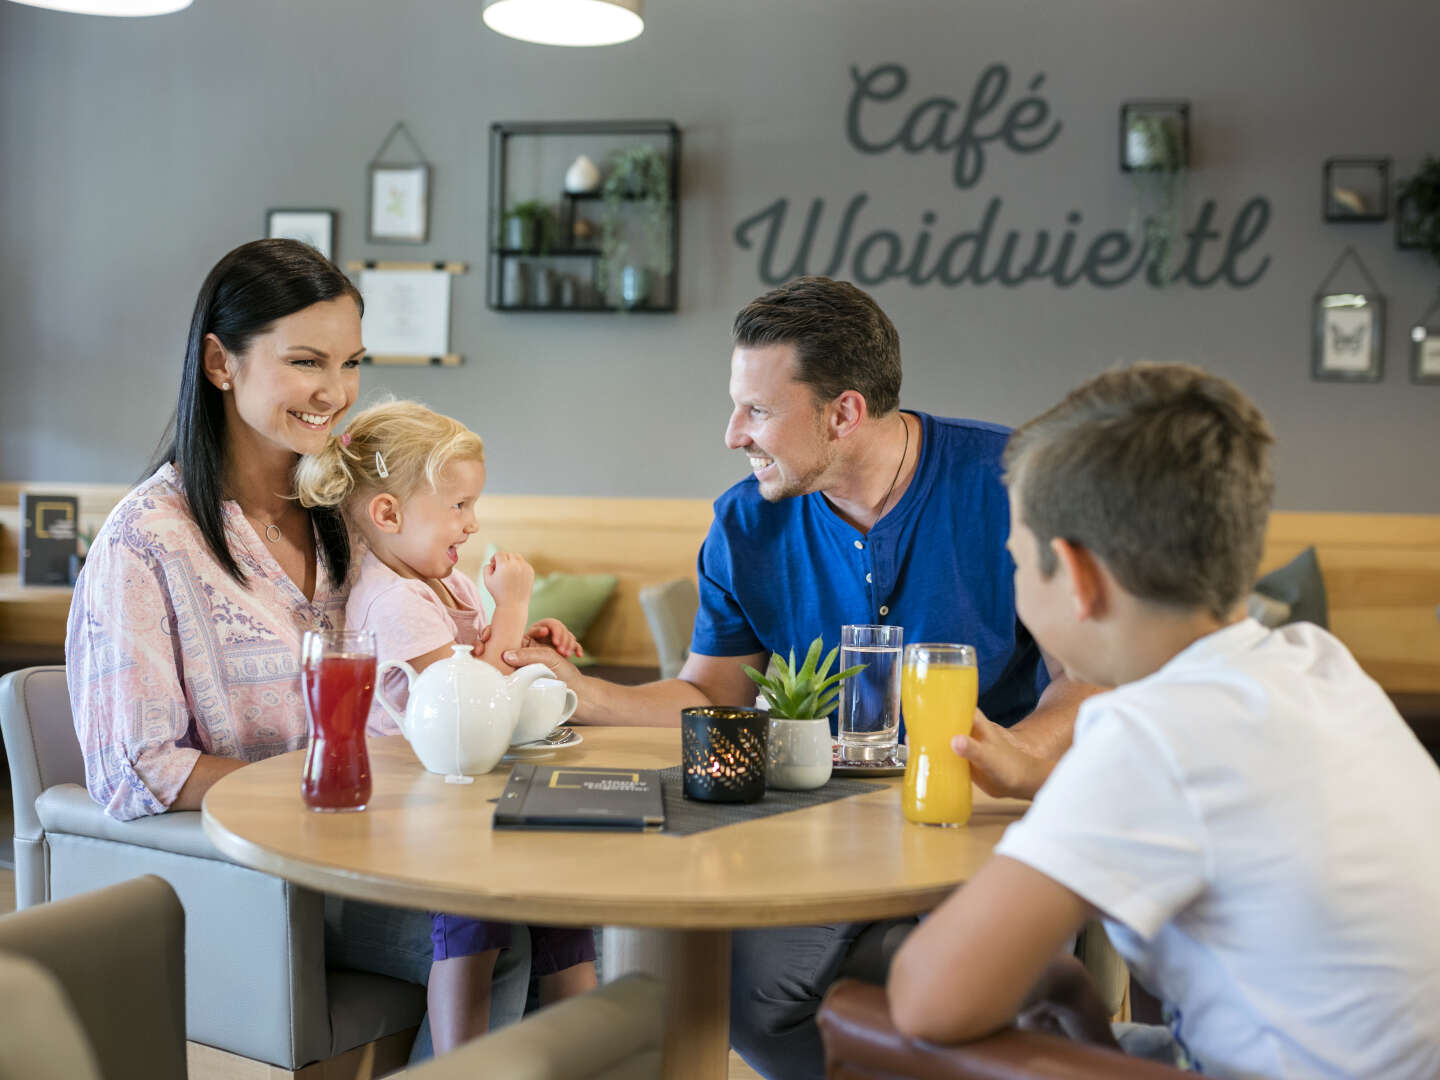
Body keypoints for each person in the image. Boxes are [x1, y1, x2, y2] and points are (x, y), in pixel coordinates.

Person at [504, 276, 1096, 1079]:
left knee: (990, 1000)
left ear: (843, 413)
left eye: (756, 411)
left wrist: (1015, 755)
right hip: (827, 825)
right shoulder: (746, 521)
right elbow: (716, 695)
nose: (730, 434)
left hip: (985, 822)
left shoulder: (1010, 482)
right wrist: (579, 688)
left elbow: (1084, 678)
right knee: (747, 994)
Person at [888, 363, 1440, 1078]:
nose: (1014, 582)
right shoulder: (1316, 663)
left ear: (1078, 578)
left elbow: (929, 1001)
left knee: (874, 1025)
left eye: (1016, 563)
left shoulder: (1155, 733)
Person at [64, 239, 528, 1055]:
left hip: (370, 858)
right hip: (248, 882)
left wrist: (496, 632)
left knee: (552, 916)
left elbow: (418, 636)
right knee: (510, 934)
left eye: (351, 364)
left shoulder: (345, 519)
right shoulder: (146, 542)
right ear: (220, 362)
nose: (336, 393)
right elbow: (134, 765)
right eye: (306, 361)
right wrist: (320, 794)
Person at [294, 400, 598, 1052]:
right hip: (409, 823)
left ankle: (584, 1061)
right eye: (458, 505)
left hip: (457, 804)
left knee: (563, 905)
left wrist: (519, 637)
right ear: (387, 514)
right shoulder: (392, 598)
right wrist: (513, 606)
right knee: (474, 913)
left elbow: (486, 663)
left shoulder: (444, 583)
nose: (473, 521)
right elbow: (470, 709)